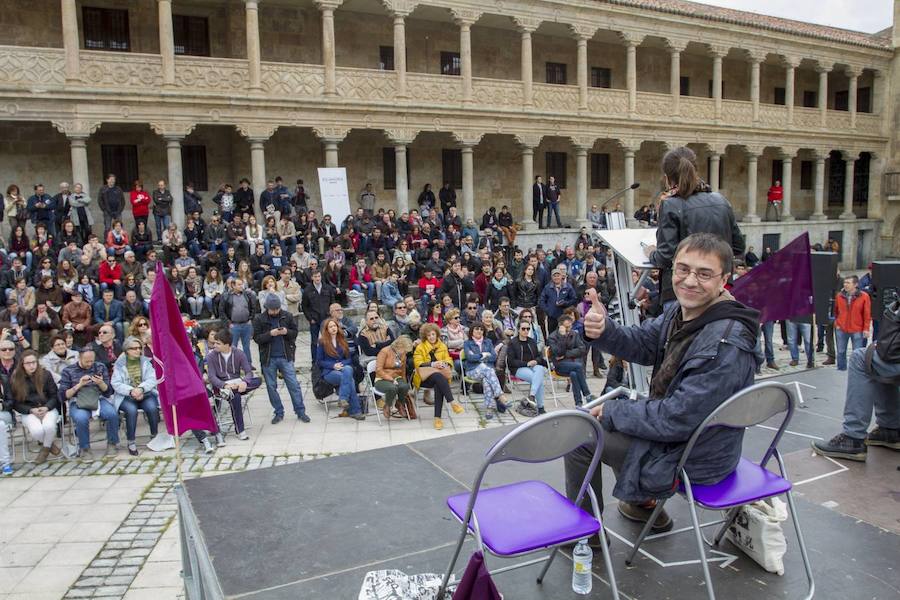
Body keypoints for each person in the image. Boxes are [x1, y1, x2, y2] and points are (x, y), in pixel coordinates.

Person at [566, 233, 762, 534]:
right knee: (625, 414)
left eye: (704, 273)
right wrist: (604, 329)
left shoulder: (726, 342)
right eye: (683, 269)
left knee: (580, 434)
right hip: (690, 437)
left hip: (698, 455)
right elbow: (642, 343)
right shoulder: (681, 311)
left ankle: (583, 536)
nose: (690, 281)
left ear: (724, 279)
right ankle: (644, 505)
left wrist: (613, 411)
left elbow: (677, 418)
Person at [644, 146, 744, 311]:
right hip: (717, 289)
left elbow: (665, 256)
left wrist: (651, 253)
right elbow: (738, 246)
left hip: (683, 293)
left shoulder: (670, 204)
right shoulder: (721, 200)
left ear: (667, 178)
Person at [253, 294, 310, 424]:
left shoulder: (287, 316)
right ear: (267, 308)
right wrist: (270, 334)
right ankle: (278, 412)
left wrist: (286, 332)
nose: (275, 311)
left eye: (277, 309)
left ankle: (300, 411)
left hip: (285, 356)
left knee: (294, 385)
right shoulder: (259, 319)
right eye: (272, 309)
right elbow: (257, 338)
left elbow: (295, 333)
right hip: (268, 358)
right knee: (271, 387)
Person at [60, 346, 117, 460]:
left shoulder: (100, 367)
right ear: (79, 358)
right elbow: (63, 396)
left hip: (98, 398)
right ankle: (85, 448)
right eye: (87, 361)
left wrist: (101, 383)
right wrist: (79, 385)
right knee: (81, 418)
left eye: (92, 360)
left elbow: (108, 392)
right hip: (78, 400)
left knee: (112, 414)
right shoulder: (68, 371)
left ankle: (112, 443)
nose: (90, 363)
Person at [110, 337, 159, 456]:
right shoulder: (119, 364)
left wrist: (141, 389)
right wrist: (132, 391)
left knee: (152, 408)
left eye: (139, 348)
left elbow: (152, 378)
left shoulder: (146, 361)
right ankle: (131, 441)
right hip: (126, 396)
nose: (138, 350)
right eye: (134, 348)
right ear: (126, 350)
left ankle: (154, 435)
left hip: (145, 394)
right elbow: (116, 384)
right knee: (131, 411)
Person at [9, 350, 60, 463]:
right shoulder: (16, 378)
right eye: (28, 363)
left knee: (49, 427)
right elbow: (16, 403)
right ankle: (50, 445)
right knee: (37, 431)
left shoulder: (46, 374)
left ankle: (44, 451)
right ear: (22, 364)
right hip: (29, 411)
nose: (31, 365)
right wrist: (31, 410)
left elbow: (54, 395)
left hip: (48, 408)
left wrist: (47, 407)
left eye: (34, 362)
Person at [206, 329, 255, 441]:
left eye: (218, 343)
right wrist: (224, 385)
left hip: (238, 384)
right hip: (221, 387)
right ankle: (240, 431)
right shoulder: (211, 356)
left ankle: (237, 388)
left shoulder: (239, 353)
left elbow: (249, 372)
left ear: (227, 345)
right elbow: (212, 377)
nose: (215, 345)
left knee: (258, 380)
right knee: (235, 396)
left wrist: (244, 382)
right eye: (214, 343)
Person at [413, 323, 462, 430]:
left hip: (439, 378)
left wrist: (445, 364)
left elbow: (449, 359)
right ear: (425, 336)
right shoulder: (420, 347)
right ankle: (452, 402)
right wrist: (432, 364)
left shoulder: (442, 346)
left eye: (433, 334)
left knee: (439, 381)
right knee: (438, 376)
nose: (431, 337)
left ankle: (437, 418)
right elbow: (417, 363)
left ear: (437, 335)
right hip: (424, 378)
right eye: (429, 335)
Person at [317, 317, 365, 420]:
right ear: (327, 329)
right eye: (330, 327)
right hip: (329, 372)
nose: (333, 328)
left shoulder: (342, 340)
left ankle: (343, 399)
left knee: (348, 370)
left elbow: (349, 359)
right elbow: (319, 361)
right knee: (350, 380)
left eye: (334, 326)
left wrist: (340, 364)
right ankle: (355, 411)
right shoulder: (322, 342)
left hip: (343, 368)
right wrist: (333, 365)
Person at [462, 323, 508, 419]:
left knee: (487, 381)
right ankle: (499, 395)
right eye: (476, 329)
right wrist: (483, 355)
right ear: (472, 331)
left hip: (487, 371)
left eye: (481, 329)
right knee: (488, 370)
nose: (479, 331)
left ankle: (489, 408)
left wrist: (480, 358)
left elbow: (494, 357)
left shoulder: (488, 341)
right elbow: (470, 357)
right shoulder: (467, 343)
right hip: (472, 371)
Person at [546, 313, 594, 406]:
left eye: (570, 326)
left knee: (574, 374)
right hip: (560, 365)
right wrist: (563, 337)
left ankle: (578, 403)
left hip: (572, 364)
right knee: (578, 367)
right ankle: (587, 394)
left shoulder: (574, 334)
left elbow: (582, 349)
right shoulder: (553, 337)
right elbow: (558, 353)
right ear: (561, 326)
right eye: (567, 327)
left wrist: (566, 354)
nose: (569, 329)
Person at [506, 319, 549, 414]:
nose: (526, 331)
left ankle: (532, 396)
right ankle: (540, 407)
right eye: (523, 328)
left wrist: (535, 361)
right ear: (518, 329)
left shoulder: (532, 341)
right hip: (518, 368)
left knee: (540, 369)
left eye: (528, 329)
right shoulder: (513, 343)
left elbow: (539, 356)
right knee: (538, 380)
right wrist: (526, 364)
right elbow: (511, 362)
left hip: (533, 366)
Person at [834, 275, 872, 371]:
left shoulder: (864, 296)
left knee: (857, 352)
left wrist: (866, 329)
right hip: (841, 328)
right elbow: (836, 311)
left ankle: (856, 371)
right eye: (845, 283)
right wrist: (837, 323)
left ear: (855, 284)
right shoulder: (839, 296)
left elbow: (867, 314)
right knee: (841, 351)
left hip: (857, 329)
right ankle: (841, 369)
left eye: (848, 283)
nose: (845, 285)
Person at [220, 278, 258, 367]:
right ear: (233, 286)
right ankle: (233, 365)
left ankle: (248, 364)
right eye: (239, 284)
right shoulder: (226, 296)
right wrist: (229, 323)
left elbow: (253, 307)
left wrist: (250, 319)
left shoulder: (247, 295)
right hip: (234, 325)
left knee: (247, 346)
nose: (242, 286)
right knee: (233, 346)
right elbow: (221, 311)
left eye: (242, 284)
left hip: (246, 324)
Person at [374, 336, 414, 420]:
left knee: (405, 386)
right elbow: (378, 369)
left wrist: (404, 381)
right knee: (392, 388)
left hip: (397, 376)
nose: (405, 352)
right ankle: (387, 405)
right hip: (382, 378)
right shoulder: (384, 351)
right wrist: (390, 379)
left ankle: (399, 403)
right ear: (399, 346)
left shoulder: (402, 353)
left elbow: (403, 370)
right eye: (404, 349)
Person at [301, 270, 336, 358]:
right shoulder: (307, 290)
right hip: (315, 319)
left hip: (327, 319)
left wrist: (332, 316)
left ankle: (330, 357)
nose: (317, 278)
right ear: (312, 277)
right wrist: (310, 318)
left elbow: (332, 302)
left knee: (329, 339)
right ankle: (314, 362)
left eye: (319, 276)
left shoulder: (327, 288)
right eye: (315, 276)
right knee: (314, 342)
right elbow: (304, 306)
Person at [539, 267, 577, 333]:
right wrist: (547, 310)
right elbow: (542, 300)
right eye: (554, 276)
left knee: (565, 333)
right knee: (552, 334)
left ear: (561, 276)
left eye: (558, 275)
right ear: (552, 277)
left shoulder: (568, 287)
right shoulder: (547, 287)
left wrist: (565, 303)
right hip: (552, 316)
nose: (556, 278)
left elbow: (573, 299)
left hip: (564, 315)